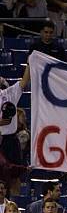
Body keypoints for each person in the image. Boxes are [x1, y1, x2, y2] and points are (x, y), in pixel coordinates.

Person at [0, 65, 30, 196]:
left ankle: (13, 209)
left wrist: (30, 63)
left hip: (10, 140)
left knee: (15, 177)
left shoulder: (9, 93)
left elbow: (24, 82)